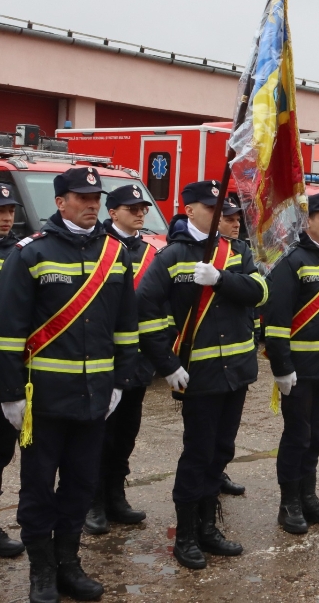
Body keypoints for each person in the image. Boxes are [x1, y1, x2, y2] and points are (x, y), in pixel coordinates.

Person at [0, 167, 138, 602]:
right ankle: (41, 572)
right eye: (81, 197)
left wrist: (120, 381)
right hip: (42, 401)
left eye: (95, 197)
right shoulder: (30, 254)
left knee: (80, 485)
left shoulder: (115, 254)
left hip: (96, 398)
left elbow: (126, 326)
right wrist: (8, 392)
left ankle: (69, 565)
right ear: (60, 203)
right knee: (38, 489)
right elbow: (8, 333)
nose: (91, 203)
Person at [137, 180, 268, 569]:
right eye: (211, 208)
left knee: (220, 453)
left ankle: (209, 527)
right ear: (190, 209)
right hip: (199, 375)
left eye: (223, 209)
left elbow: (261, 290)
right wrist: (167, 364)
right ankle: (188, 535)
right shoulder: (172, 256)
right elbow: (145, 310)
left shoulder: (236, 251)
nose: (220, 216)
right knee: (197, 454)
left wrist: (221, 279)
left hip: (237, 373)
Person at [264, 192, 319, 535]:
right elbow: (275, 322)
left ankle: (308, 496)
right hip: (298, 372)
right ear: (307, 221)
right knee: (297, 437)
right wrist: (282, 369)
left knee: (316, 436)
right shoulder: (291, 262)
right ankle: (290, 503)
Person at [84, 184, 155, 537]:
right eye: (132, 208)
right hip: (101, 360)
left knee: (126, 432)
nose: (140, 212)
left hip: (137, 359)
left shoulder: (150, 252)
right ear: (112, 212)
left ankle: (115, 494)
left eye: (142, 207)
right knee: (100, 434)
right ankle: (92, 500)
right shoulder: (98, 246)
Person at [215, 197, 248, 498]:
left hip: (239, 357)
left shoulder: (243, 251)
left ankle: (220, 471)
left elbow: (257, 289)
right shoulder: (206, 251)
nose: (236, 223)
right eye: (229, 218)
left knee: (228, 431)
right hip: (208, 361)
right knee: (204, 435)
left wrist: (222, 281)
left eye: (237, 218)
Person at [0, 183, 25, 559]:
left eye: (9, 212)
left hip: (6, 370)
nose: (5, 218)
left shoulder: (22, 253)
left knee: (1, 454)